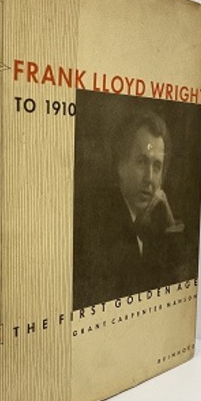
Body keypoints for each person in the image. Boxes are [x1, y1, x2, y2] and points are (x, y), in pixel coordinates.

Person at [73, 108, 187, 309]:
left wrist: (170, 223)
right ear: (121, 165)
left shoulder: (151, 221)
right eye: (142, 162)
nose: (149, 178)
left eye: (157, 166)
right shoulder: (100, 225)